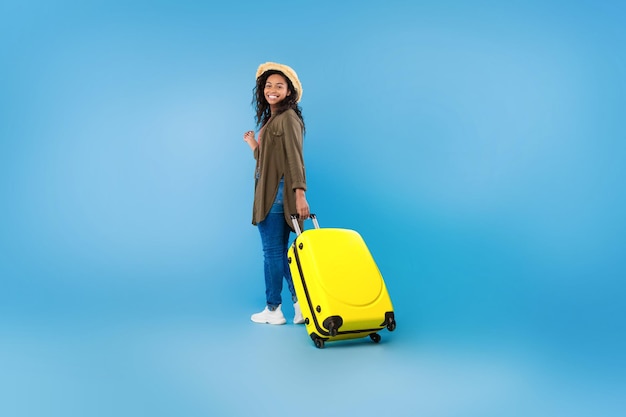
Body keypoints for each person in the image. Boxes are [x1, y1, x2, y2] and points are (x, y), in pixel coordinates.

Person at [243, 62, 310, 325]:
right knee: (279, 252)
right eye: (268, 85)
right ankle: (301, 304)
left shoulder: (288, 118)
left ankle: (274, 309)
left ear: (289, 91)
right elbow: (269, 161)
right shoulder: (274, 119)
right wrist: (253, 145)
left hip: (276, 194)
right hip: (274, 192)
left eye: (279, 86)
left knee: (271, 252)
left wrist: (300, 193)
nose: (272, 89)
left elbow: (295, 159)